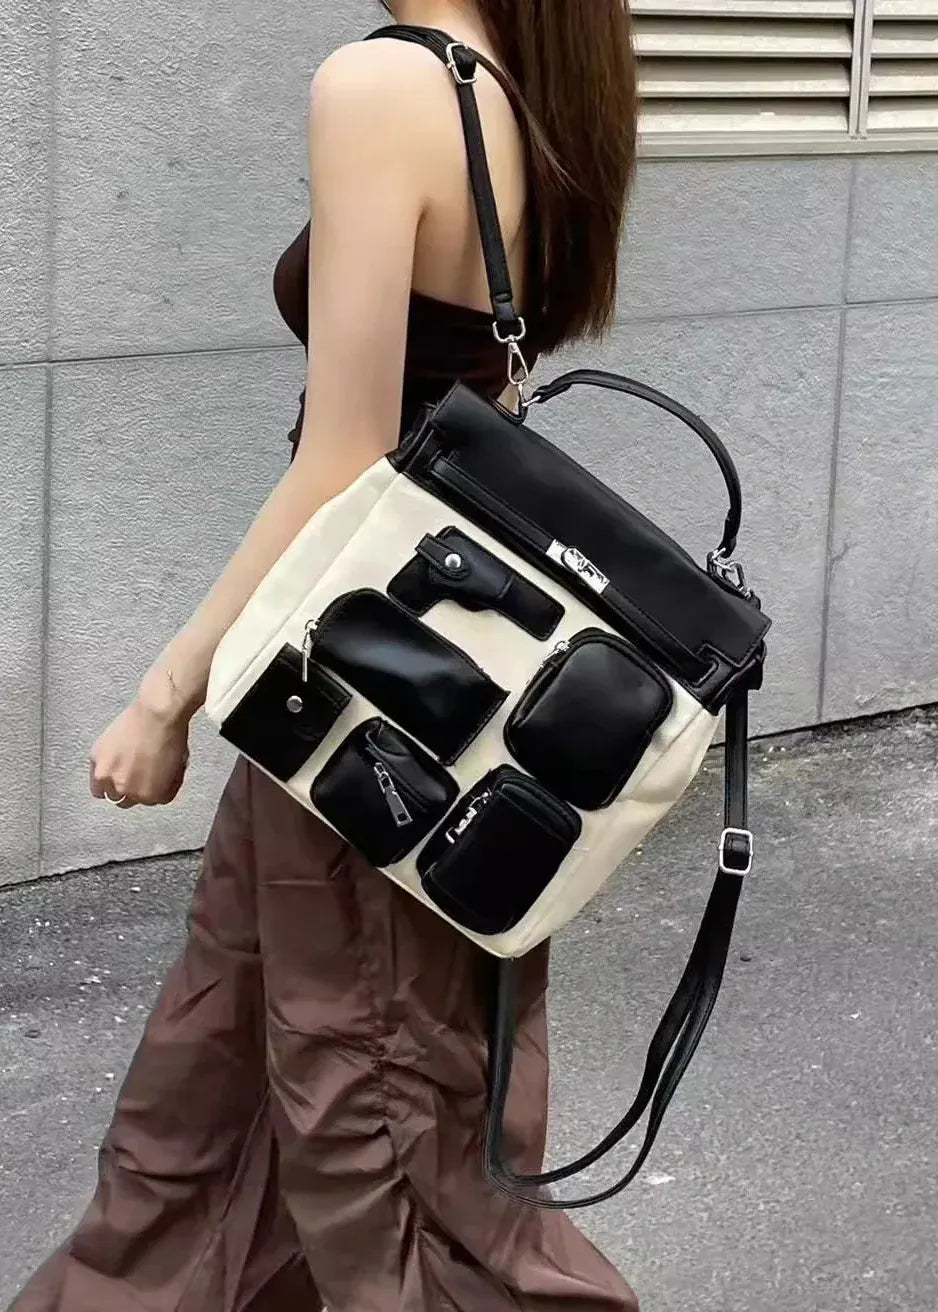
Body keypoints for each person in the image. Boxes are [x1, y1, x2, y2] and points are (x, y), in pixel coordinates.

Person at [12, 2, 640, 1308]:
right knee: (237, 1084)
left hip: (358, 712)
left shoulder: (384, 86)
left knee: (375, 1131)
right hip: (411, 700)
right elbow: (478, 417)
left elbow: (345, 457)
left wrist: (166, 689)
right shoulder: (522, 92)